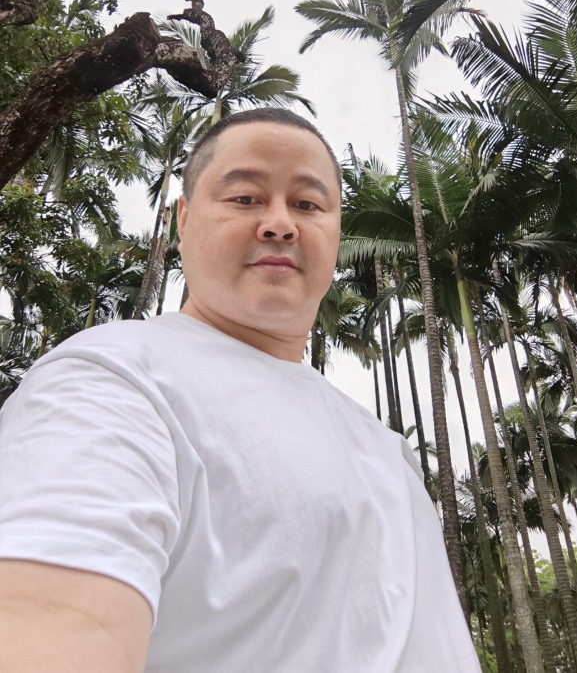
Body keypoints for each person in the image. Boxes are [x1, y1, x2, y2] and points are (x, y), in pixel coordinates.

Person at [0, 108, 481, 672]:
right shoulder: (116, 379)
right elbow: (50, 622)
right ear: (183, 220)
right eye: (246, 198)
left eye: (307, 204)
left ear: (336, 232)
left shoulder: (385, 447)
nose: (280, 224)